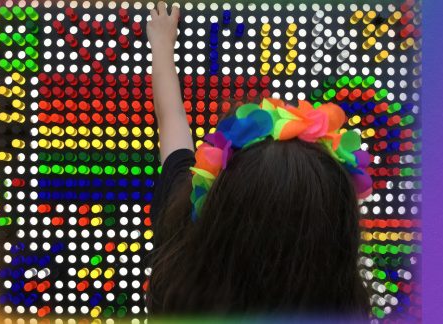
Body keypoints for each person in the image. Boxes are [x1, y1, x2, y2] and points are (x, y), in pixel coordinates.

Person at [145, 2, 372, 320]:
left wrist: (161, 44)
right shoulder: (344, 308)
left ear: (217, 202)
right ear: (338, 238)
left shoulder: (178, 258)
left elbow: (172, 123)